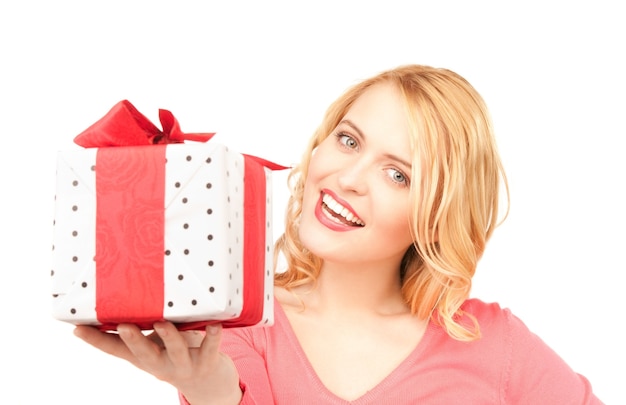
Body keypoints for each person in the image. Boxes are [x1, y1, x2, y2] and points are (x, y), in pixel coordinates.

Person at [74, 64, 603, 404]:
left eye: (397, 174)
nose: (348, 179)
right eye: (349, 141)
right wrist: (206, 390)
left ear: (437, 215)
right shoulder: (238, 323)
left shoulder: (494, 343)